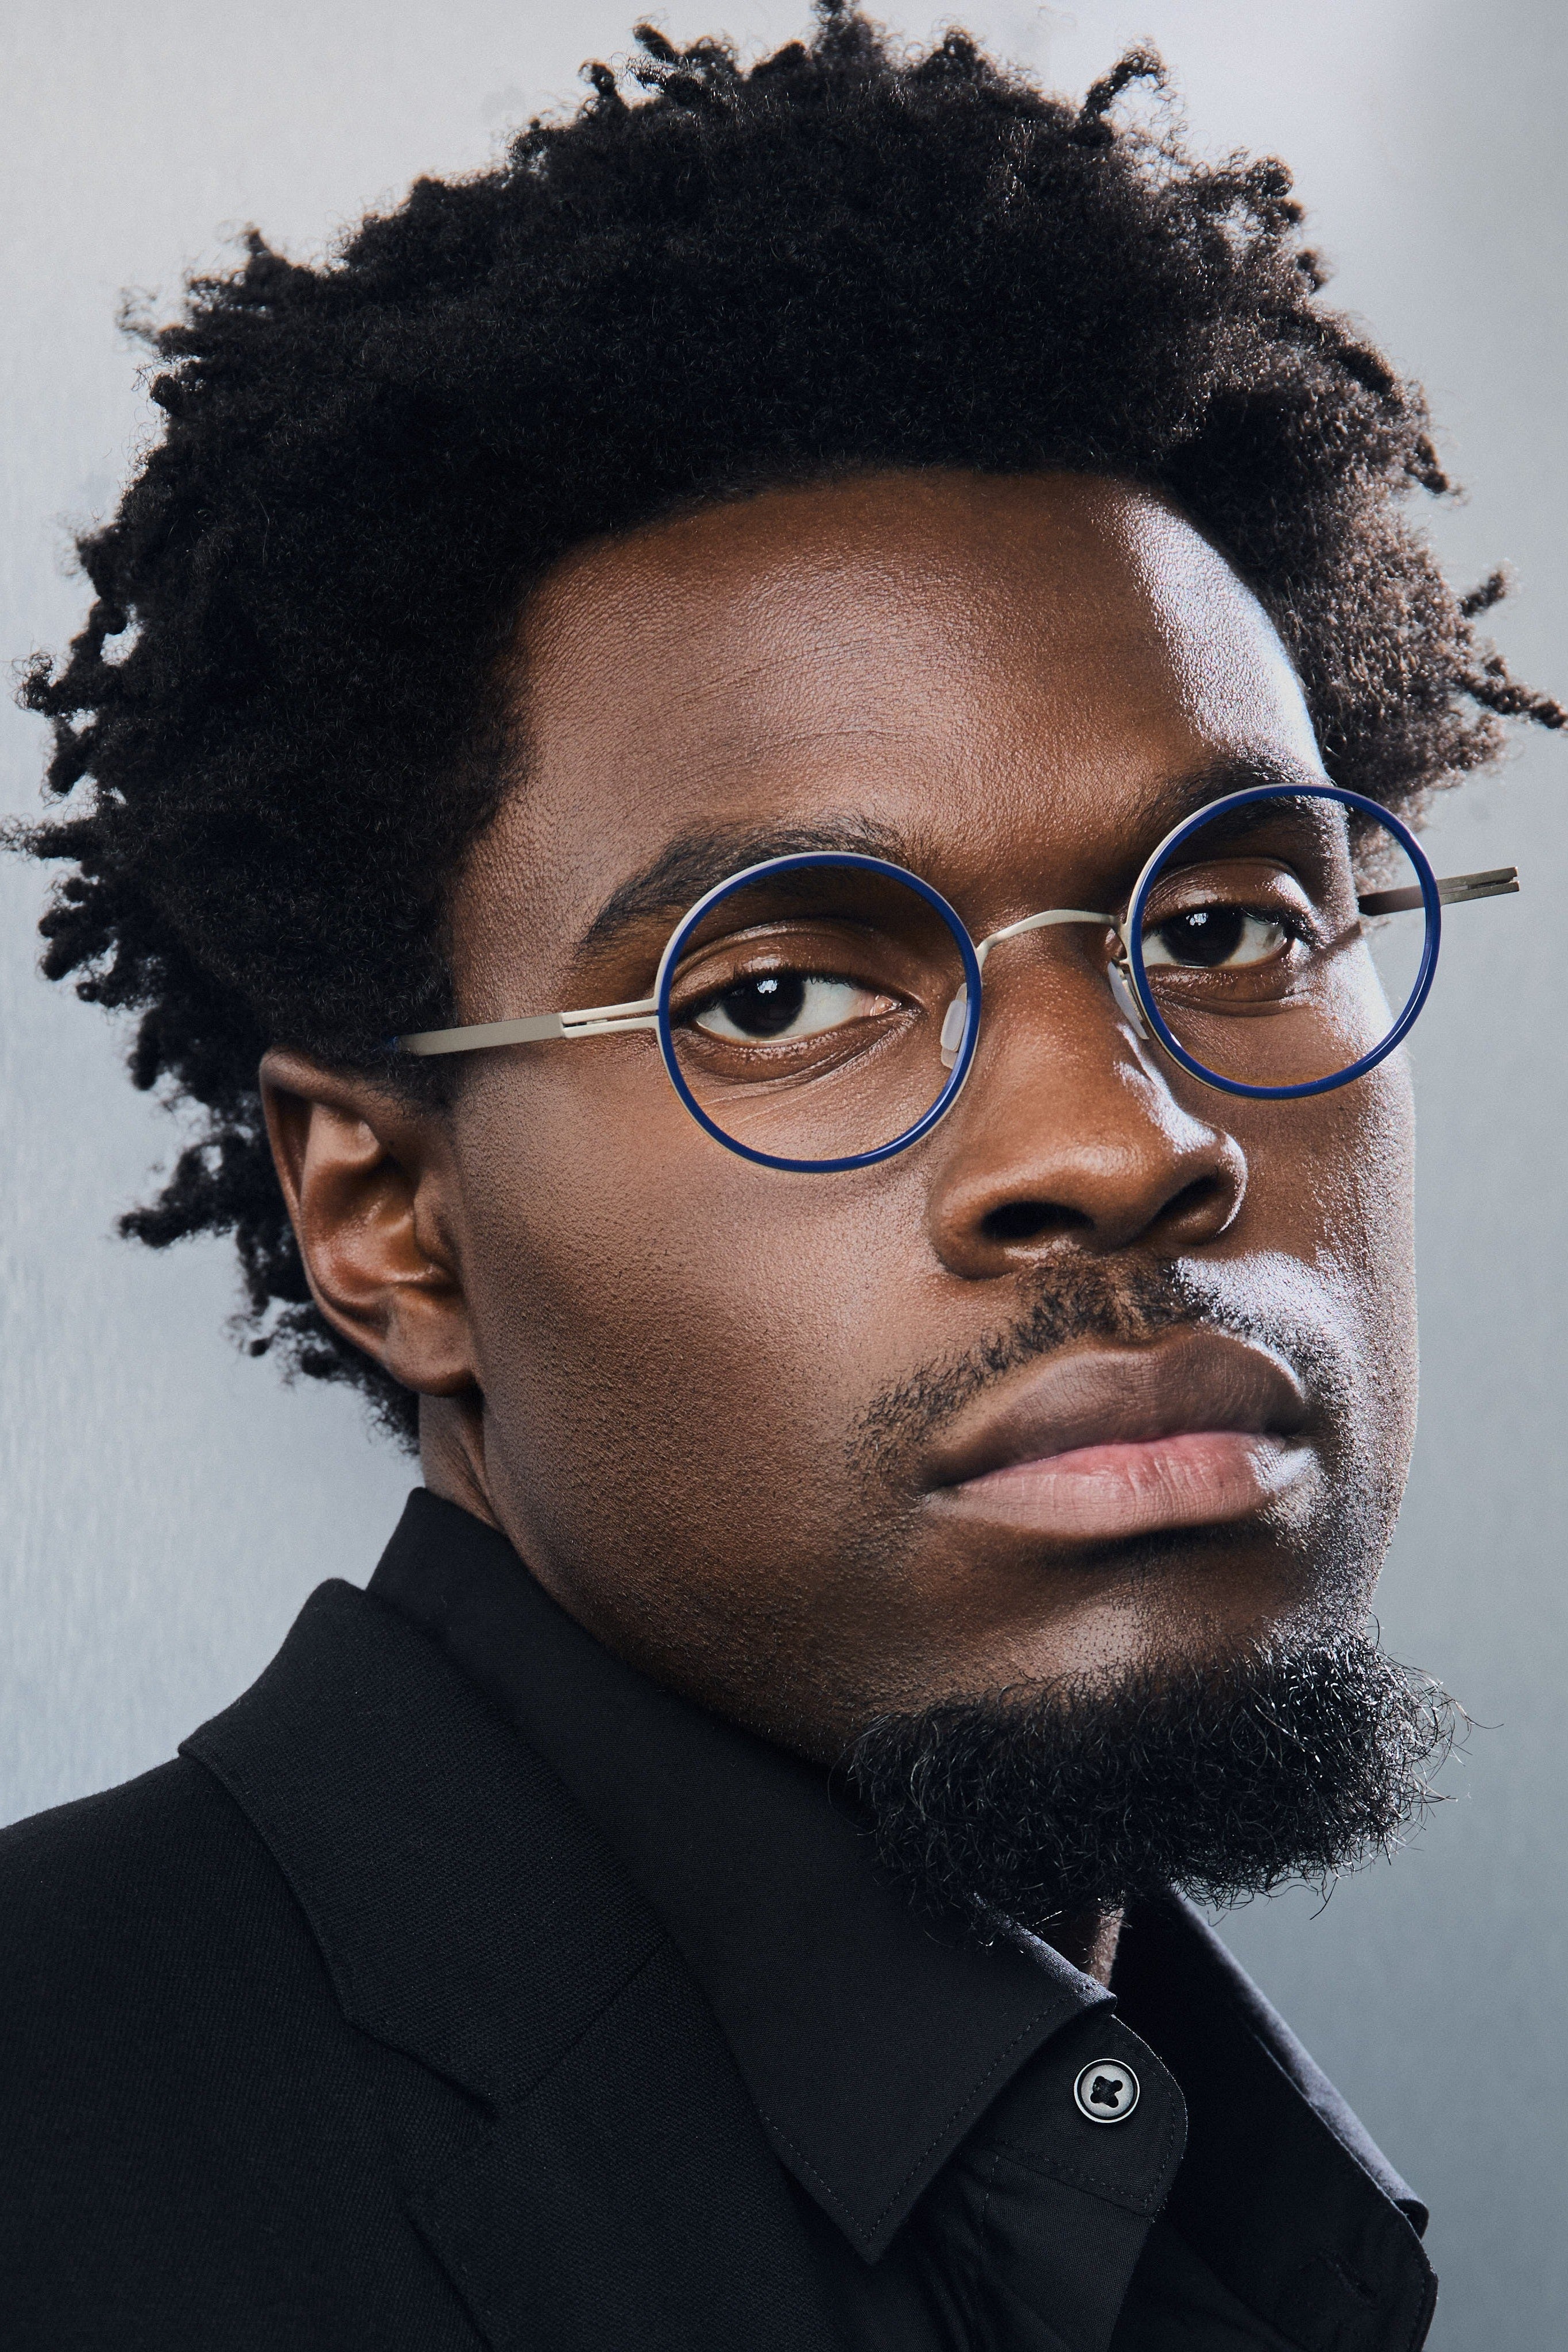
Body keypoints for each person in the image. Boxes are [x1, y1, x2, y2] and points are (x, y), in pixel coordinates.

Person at [2, 10, 1560, 2347]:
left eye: (1231, 930)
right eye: (779, 994)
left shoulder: (1190, 2196)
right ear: (387, 1217)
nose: (1125, 1140)